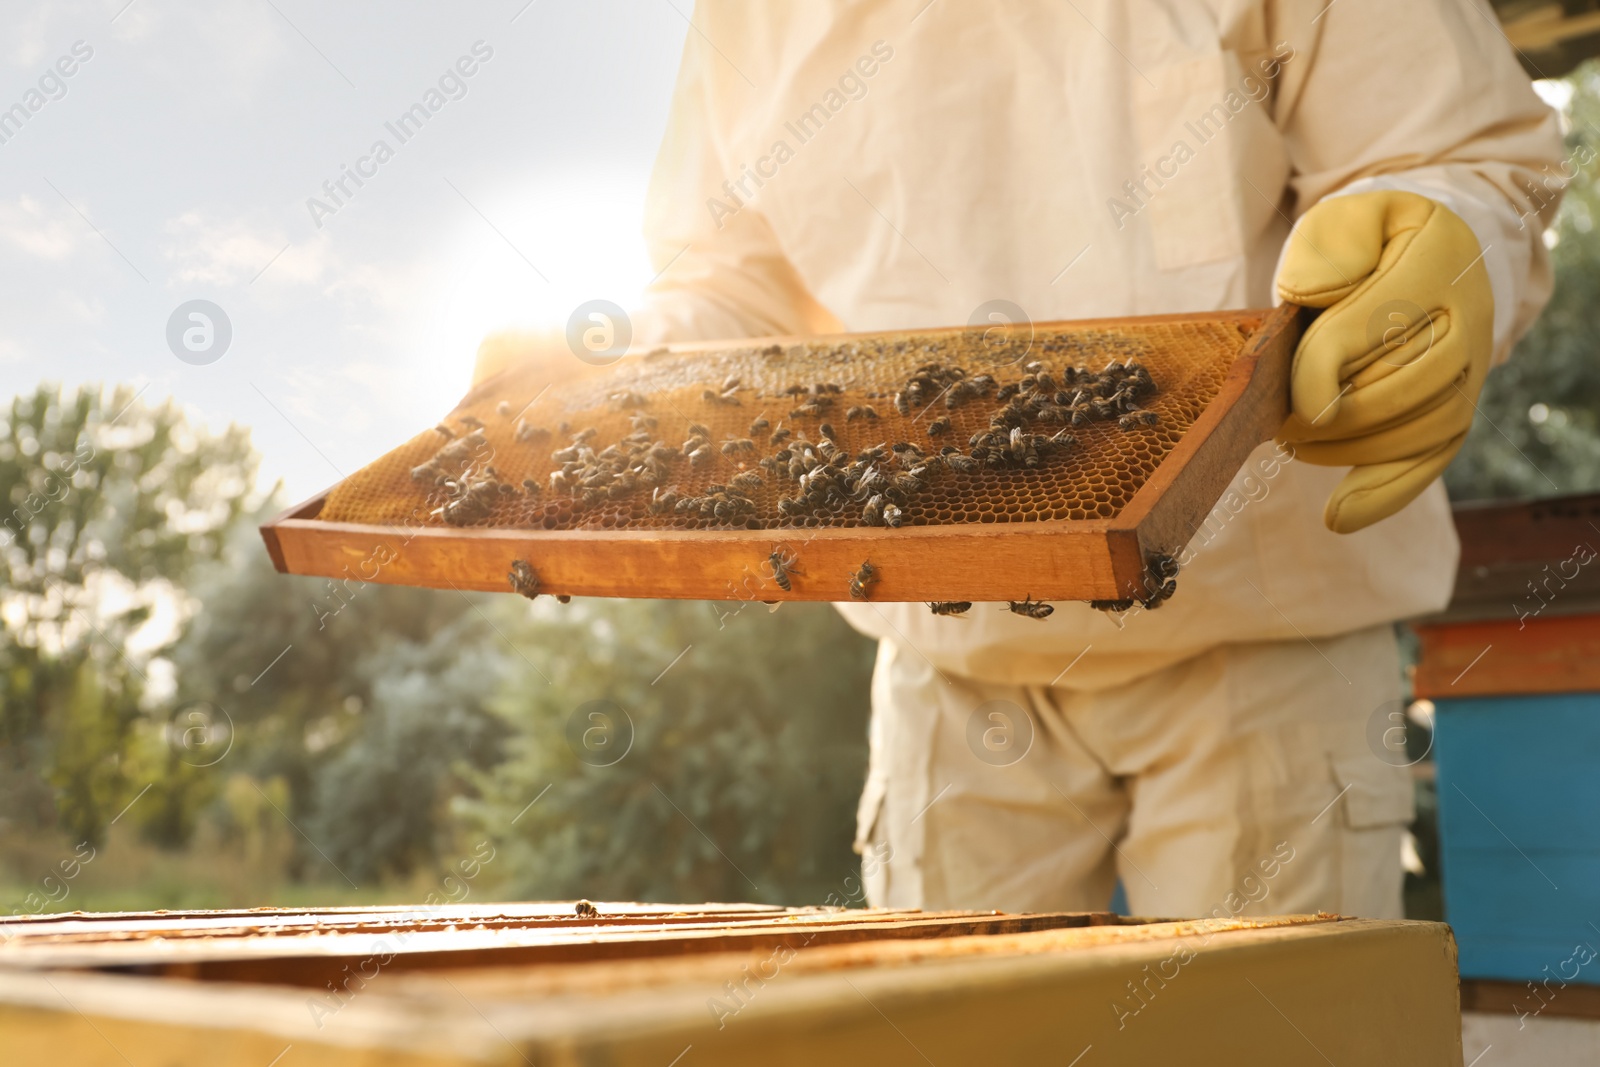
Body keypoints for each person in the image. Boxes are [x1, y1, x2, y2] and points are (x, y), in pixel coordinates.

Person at [478, 1, 1563, 918]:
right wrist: (609, 372)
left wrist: (1447, 235)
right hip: (943, 664)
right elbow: (726, 284)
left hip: (1263, 641)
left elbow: (1455, 156)